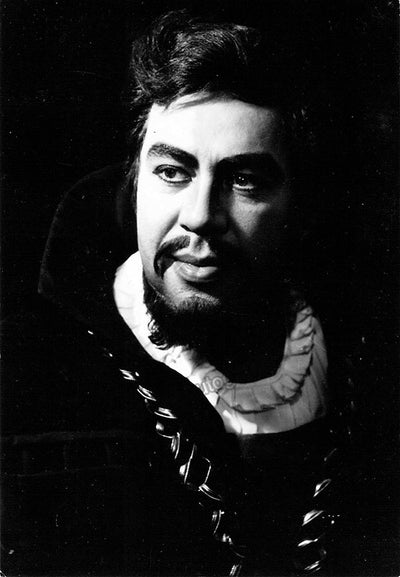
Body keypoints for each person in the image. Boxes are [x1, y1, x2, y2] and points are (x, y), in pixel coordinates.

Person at [1, 9, 374, 577]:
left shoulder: (364, 371)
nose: (201, 216)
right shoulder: (28, 380)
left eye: (244, 180)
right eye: (173, 172)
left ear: (297, 203)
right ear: (134, 182)